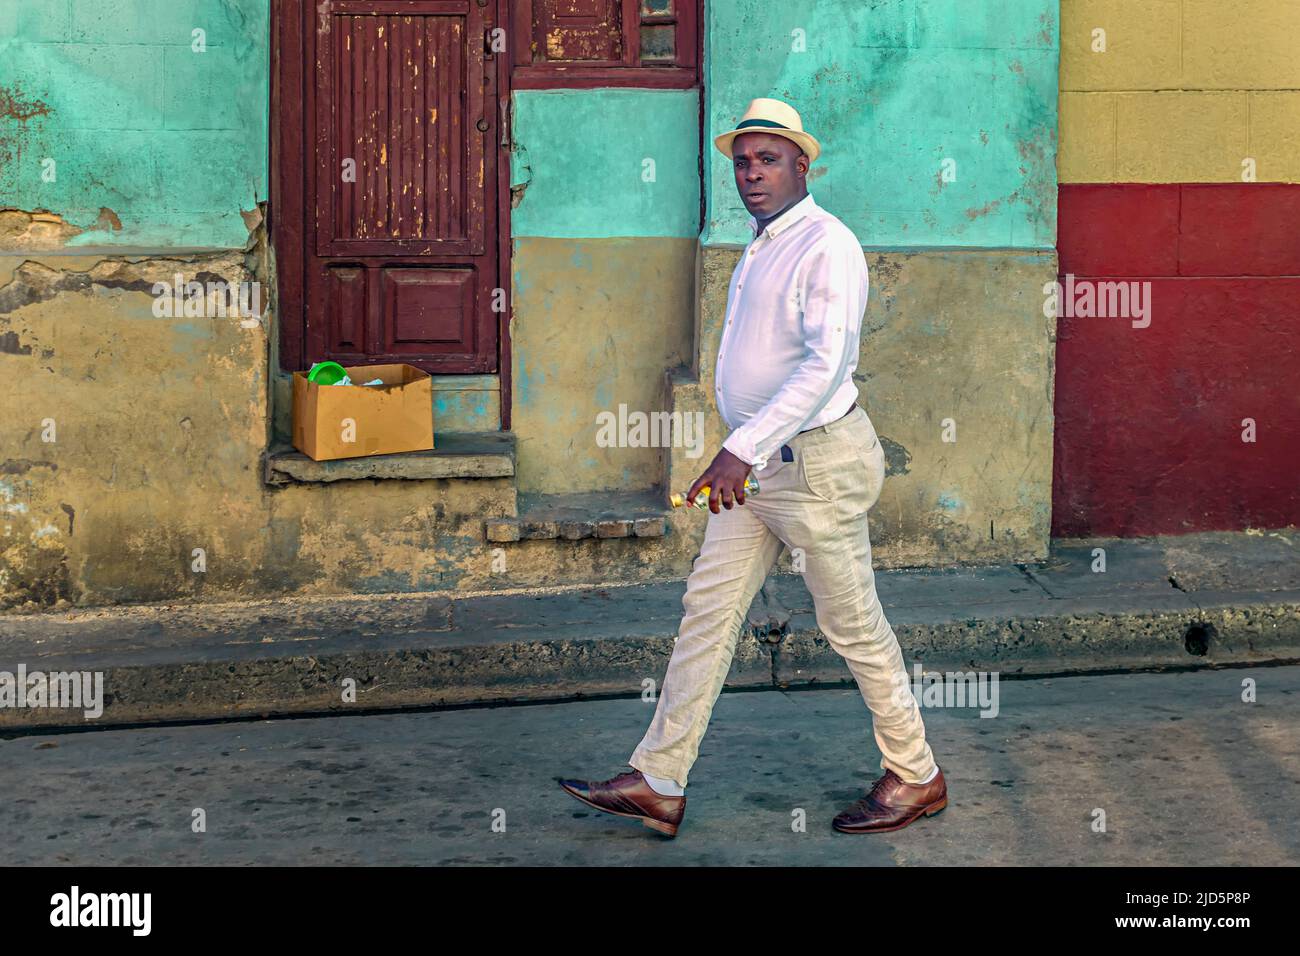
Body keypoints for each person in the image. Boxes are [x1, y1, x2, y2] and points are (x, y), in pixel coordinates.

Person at [558, 98, 947, 838]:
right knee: (706, 613)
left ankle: (917, 775)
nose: (751, 174)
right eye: (742, 161)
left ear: (803, 165)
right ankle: (659, 780)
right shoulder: (763, 242)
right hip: (761, 468)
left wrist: (742, 446)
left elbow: (825, 366)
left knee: (853, 626)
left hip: (813, 466)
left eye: (768, 160)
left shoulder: (826, 244)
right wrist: (744, 447)